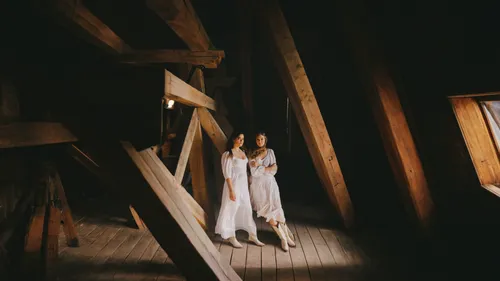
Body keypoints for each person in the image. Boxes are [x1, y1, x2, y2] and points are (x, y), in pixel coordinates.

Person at [215, 131, 265, 248]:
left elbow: (245, 169)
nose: (241, 141)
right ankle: (230, 236)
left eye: (242, 139)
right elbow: (227, 174)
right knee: (232, 209)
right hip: (234, 185)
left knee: (247, 209)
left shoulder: (242, 152)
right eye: (239, 138)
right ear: (233, 139)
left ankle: (252, 235)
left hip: (243, 186)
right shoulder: (228, 154)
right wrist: (231, 190)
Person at [249, 132, 295, 251]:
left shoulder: (270, 152)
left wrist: (261, 168)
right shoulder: (252, 154)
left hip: (270, 184)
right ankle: (283, 239)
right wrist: (267, 168)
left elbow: (275, 169)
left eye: (262, 139)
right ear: (255, 141)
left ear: (265, 140)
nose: (260, 141)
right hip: (259, 186)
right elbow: (254, 173)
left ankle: (286, 237)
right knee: (268, 213)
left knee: (276, 208)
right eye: (258, 139)